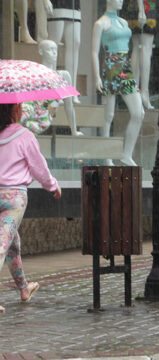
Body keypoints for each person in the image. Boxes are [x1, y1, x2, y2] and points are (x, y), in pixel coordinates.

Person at [0, 103, 62, 313]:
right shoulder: (24, 135)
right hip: (14, 198)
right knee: (2, 243)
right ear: (13, 111)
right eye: (18, 106)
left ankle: (24, 288)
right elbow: (39, 166)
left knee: (12, 244)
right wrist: (52, 186)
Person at [92, 0, 144, 166]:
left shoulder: (123, 22)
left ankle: (126, 153)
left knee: (139, 113)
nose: (121, 1)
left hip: (125, 66)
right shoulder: (100, 23)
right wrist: (96, 77)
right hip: (111, 66)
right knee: (108, 116)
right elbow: (94, 52)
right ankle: (106, 156)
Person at [38, 39, 83, 136]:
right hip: (36, 119)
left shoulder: (63, 75)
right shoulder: (36, 74)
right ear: (41, 52)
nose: (54, 53)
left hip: (48, 117)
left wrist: (74, 130)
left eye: (56, 50)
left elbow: (69, 105)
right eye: (50, 49)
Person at [47, 0, 81, 103]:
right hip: (58, 4)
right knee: (53, 42)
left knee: (75, 42)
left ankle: (70, 88)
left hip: (74, 5)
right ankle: (52, 88)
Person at [127, 0, 157, 109]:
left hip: (135, 7)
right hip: (145, 7)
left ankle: (136, 91)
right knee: (145, 48)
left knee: (137, 47)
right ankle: (144, 92)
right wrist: (141, 9)